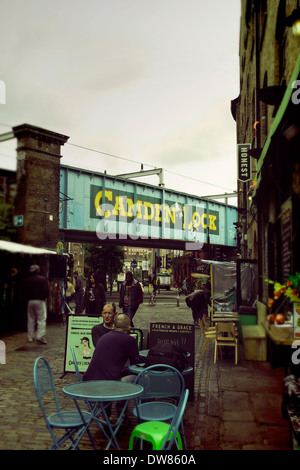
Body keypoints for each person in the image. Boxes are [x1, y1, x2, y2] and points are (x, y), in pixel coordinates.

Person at [83, 314, 142, 382]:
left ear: (114, 325)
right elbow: (135, 362)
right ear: (129, 327)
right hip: (109, 384)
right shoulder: (130, 340)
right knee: (143, 377)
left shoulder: (104, 337)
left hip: (88, 380)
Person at [24, 264, 49, 344]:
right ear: (38, 271)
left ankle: (30, 337)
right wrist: (44, 298)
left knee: (31, 319)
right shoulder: (42, 279)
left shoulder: (27, 280)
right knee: (41, 319)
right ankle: (40, 337)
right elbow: (46, 291)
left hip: (30, 301)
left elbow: (24, 291)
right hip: (39, 300)